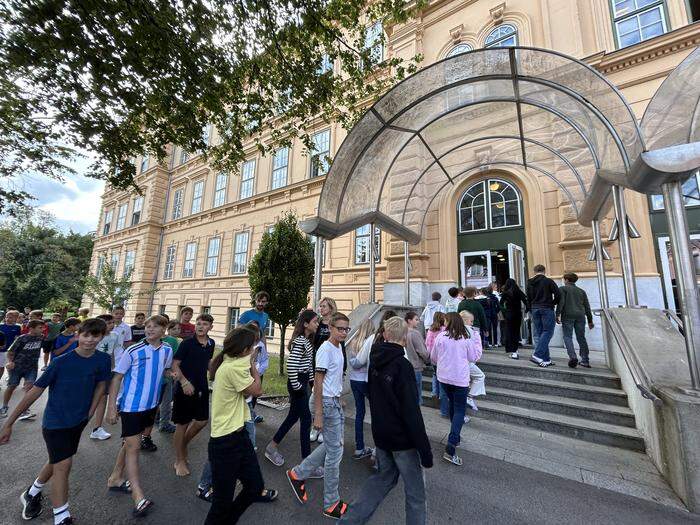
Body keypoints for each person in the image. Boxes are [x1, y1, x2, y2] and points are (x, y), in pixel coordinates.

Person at [0, 318, 111, 525]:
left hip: (78, 421)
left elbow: (101, 386)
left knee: (57, 459)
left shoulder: (103, 360)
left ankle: (31, 493)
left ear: (102, 337)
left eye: (95, 336)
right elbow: (33, 393)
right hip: (55, 422)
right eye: (85, 335)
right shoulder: (60, 362)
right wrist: (8, 424)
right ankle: (62, 516)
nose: (89, 340)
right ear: (78, 335)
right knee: (64, 464)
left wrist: (90, 412)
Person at [340, 317, 433, 525]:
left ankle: (349, 521)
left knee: (382, 480)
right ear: (405, 337)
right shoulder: (402, 365)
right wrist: (425, 451)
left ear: (384, 334)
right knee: (416, 494)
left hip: (382, 434)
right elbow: (411, 411)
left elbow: (376, 397)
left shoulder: (376, 360)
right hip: (403, 441)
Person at [205, 326, 277, 524]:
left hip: (239, 437)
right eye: (253, 345)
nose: (255, 347)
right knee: (221, 503)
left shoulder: (231, 361)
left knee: (255, 487)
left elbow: (244, 393)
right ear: (245, 349)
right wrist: (253, 364)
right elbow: (257, 390)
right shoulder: (232, 368)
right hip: (225, 443)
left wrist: (249, 361)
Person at [106, 315, 173, 518]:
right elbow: (117, 377)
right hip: (132, 407)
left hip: (151, 405)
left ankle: (115, 478)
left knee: (128, 443)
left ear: (164, 330)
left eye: (155, 327)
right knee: (134, 447)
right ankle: (138, 496)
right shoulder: (133, 350)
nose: (150, 329)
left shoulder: (167, 350)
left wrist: (177, 376)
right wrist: (111, 407)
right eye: (148, 326)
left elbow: (166, 370)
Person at [287, 312, 350, 520]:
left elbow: (333, 378)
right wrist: (319, 415)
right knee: (335, 452)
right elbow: (319, 382)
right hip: (324, 403)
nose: (343, 332)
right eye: (339, 328)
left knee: (332, 445)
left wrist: (338, 395)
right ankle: (331, 502)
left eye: (345, 329)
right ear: (330, 327)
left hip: (333, 401)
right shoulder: (325, 349)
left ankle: (298, 474)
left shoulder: (339, 347)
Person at [265, 310, 318, 467]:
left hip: (303, 382)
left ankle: (271, 447)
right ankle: (307, 464)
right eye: (315, 321)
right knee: (306, 419)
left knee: (293, 417)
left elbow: (308, 364)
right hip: (297, 384)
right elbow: (292, 365)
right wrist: (297, 386)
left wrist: (311, 381)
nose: (317, 324)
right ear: (306, 324)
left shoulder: (307, 341)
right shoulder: (300, 341)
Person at [430, 312, 482, 466]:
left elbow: (433, 357)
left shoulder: (441, 337)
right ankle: (451, 446)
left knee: (453, 405)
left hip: (444, 378)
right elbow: (474, 357)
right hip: (459, 379)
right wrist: (477, 341)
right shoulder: (465, 339)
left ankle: (456, 436)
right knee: (459, 410)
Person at [172, 313, 215, 477]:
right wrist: (184, 382)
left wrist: (215, 373)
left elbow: (208, 362)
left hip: (202, 387)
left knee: (202, 421)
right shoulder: (187, 343)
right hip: (185, 388)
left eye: (204, 324)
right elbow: (175, 365)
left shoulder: (211, 343)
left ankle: (182, 446)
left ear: (210, 327)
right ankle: (179, 460)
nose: (200, 326)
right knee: (182, 424)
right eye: (198, 323)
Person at [1, 319, 45, 421]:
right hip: (17, 367)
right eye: (40, 327)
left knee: (29, 387)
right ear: (31, 328)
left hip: (32, 367)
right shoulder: (22, 338)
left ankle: (25, 410)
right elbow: (10, 351)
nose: (42, 329)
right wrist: (11, 362)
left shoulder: (41, 337)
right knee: (12, 386)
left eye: (42, 327)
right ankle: (4, 407)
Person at [347, 318, 376, 461]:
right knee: (377, 414)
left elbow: (354, 364)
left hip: (354, 380)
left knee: (360, 413)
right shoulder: (370, 342)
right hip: (366, 381)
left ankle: (359, 447)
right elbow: (363, 363)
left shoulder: (354, 342)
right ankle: (378, 449)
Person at [90, 314, 119, 441]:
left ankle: (97, 428)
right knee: (87, 399)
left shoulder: (114, 336)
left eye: (113, 322)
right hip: (92, 370)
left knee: (103, 398)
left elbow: (111, 352)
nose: (112, 325)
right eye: (108, 323)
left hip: (107, 370)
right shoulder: (93, 337)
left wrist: (113, 367)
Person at [556, 273, 594, 368]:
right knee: (581, 337)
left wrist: (557, 315)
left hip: (568, 315)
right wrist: (590, 320)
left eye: (564, 279)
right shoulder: (581, 291)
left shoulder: (562, 289)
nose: (564, 281)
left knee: (567, 336)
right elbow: (587, 307)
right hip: (580, 316)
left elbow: (561, 303)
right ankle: (585, 360)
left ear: (567, 280)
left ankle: (573, 357)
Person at [527, 265, 561, 367]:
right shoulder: (548, 281)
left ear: (534, 271)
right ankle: (537, 355)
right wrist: (553, 303)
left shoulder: (529, 282)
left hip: (534, 309)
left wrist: (531, 308)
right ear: (544, 271)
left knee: (541, 333)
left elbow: (528, 298)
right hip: (546, 308)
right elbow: (558, 294)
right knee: (548, 332)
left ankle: (546, 359)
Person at [157, 320, 181, 433]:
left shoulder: (171, 341)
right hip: (153, 379)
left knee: (166, 401)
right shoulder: (144, 341)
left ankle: (164, 423)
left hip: (167, 377)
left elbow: (174, 360)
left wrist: (173, 374)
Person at [459, 311, 486, 413]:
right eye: (471, 321)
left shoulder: (456, 330)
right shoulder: (470, 331)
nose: (472, 323)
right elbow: (473, 348)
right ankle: (469, 397)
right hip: (467, 361)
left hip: (459, 361)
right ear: (465, 321)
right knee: (480, 376)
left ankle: (469, 397)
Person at [404, 311, 430, 406]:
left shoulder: (402, 332)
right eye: (416, 319)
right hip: (415, 367)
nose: (418, 322)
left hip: (404, 366)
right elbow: (422, 352)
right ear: (409, 321)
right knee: (416, 395)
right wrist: (428, 360)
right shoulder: (415, 333)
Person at [425, 312, 448, 417]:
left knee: (435, 374)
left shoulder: (431, 329)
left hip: (433, 356)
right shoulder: (444, 330)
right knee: (441, 377)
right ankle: (440, 396)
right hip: (442, 357)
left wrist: (429, 355)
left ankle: (434, 392)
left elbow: (428, 343)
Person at [500, 278, 528, 360]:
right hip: (518, 314)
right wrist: (527, 309)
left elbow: (500, 303)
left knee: (510, 332)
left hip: (509, 314)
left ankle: (513, 351)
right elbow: (525, 300)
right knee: (516, 331)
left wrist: (505, 311)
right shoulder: (518, 291)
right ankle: (516, 350)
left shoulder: (505, 293)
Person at [246, 320, 269, 424]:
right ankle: (246, 417)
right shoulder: (244, 344)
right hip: (246, 375)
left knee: (254, 396)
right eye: (251, 329)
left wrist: (259, 371)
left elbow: (265, 359)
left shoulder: (261, 345)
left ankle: (251, 414)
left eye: (256, 330)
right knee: (245, 396)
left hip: (258, 374)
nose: (254, 332)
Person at [0, 310, 22, 387]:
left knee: (9, 367)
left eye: (11, 317)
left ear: (15, 318)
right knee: (1, 367)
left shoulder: (17, 327)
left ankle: (10, 378)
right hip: (1, 351)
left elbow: (18, 339)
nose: (8, 319)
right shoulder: (1, 326)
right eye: (7, 317)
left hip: (11, 351)